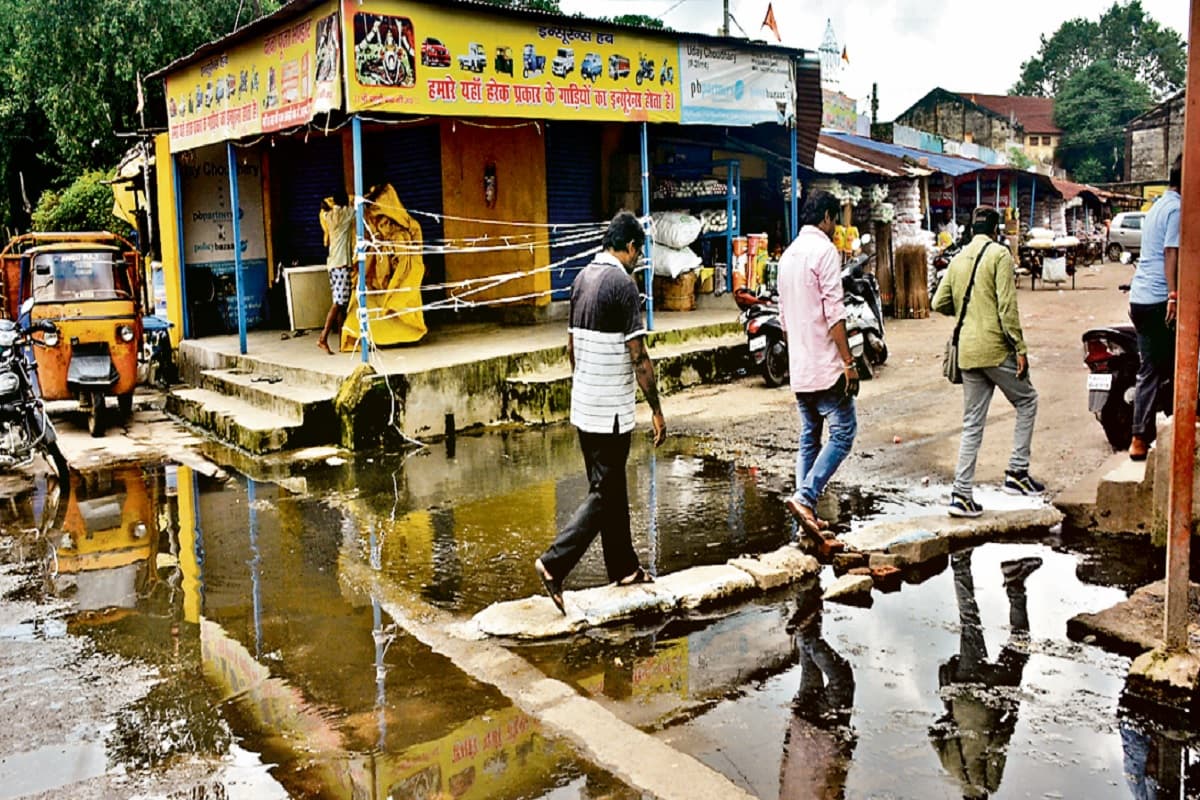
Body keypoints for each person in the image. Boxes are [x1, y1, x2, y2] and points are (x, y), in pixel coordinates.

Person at [534, 211, 666, 615]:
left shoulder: (581, 279)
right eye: (638, 253)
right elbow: (639, 357)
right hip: (610, 410)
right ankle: (554, 564)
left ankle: (623, 568)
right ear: (629, 247)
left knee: (610, 488)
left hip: (585, 405)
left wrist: (586, 383)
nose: (637, 260)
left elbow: (571, 347)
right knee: (605, 493)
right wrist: (657, 410)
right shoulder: (623, 286)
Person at [932, 206, 1042, 517]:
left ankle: (961, 495)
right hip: (994, 348)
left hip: (967, 350)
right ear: (996, 230)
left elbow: (937, 302)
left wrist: (968, 313)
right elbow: (1007, 307)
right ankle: (1017, 473)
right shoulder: (999, 255)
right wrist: (1020, 348)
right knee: (1028, 400)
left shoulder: (958, 258)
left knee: (972, 424)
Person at [777, 190, 858, 540]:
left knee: (810, 434)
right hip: (825, 365)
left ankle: (803, 517)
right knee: (843, 431)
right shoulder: (824, 251)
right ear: (826, 217)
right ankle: (805, 497)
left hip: (800, 366)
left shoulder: (788, 255)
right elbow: (834, 314)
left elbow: (783, 319)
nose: (836, 226)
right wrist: (848, 361)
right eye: (835, 219)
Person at [929, 551, 1042, 799]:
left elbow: (998, 745)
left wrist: (1012, 715)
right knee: (969, 622)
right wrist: (953, 715)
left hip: (991, 701)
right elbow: (934, 734)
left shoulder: (988, 785)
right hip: (962, 691)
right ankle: (960, 562)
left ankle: (1015, 584)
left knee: (1019, 648)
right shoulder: (952, 772)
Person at [1127, 155, 1183, 460]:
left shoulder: (1158, 205)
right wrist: (1174, 294)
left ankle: (1139, 438)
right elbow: (1170, 252)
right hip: (1161, 299)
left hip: (1140, 297)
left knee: (1149, 369)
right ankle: (1183, 424)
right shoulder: (1176, 209)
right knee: (1183, 362)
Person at [318, 190, 355, 354]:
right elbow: (358, 209)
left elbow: (324, 208)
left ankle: (342, 341)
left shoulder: (328, 216)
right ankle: (323, 338)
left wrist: (327, 206)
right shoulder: (346, 214)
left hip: (332, 264)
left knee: (341, 303)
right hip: (341, 264)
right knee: (339, 303)